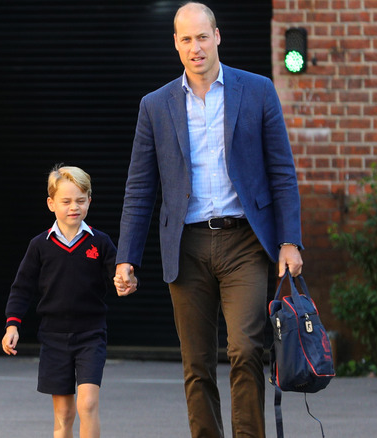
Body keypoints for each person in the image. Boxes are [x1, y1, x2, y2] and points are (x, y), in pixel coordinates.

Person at [113, 3, 304, 437]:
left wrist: (289, 241)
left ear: (217, 36)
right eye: (186, 39)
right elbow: (140, 187)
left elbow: (282, 171)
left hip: (244, 243)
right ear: (176, 45)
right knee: (196, 363)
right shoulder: (155, 106)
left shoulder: (257, 91)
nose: (195, 47)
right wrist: (127, 257)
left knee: (246, 348)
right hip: (186, 245)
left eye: (203, 37)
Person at [2, 165, 124, 438]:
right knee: (64, 414)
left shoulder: (101, 242)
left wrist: (125, 280)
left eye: (81, 200)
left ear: (89, 201)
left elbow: (119, 274)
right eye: (66, 201)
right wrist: (12, 326)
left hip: (91, 334)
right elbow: (22, 288)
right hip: (54, 337)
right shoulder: (39, 245)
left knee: (88, 404)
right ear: (51, 203)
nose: (74, 207)